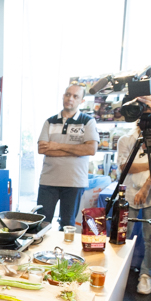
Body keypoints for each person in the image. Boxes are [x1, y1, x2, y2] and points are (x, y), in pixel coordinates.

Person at [37, 84, 99, 228]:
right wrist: (76, 150)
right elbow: (42, 149)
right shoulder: (50, 121)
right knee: (41, 223)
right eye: (67, 94)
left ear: (82, 101)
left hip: (74, 182)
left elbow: (90, 149)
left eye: (75, 96)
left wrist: (57, 146)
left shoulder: (88, 121)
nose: (70, 99)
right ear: (63, 96)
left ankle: (62, 251)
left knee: (67, 224)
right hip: (48, 181)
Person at [117, 124, 151, 294]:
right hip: (128, 193)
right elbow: (125, 167)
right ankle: (116, 271)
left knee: (150, 238)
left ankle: (146, 274)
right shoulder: (126, 139)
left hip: (150, 194)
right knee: (121, 235)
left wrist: (145, 187)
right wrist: (149, 165)